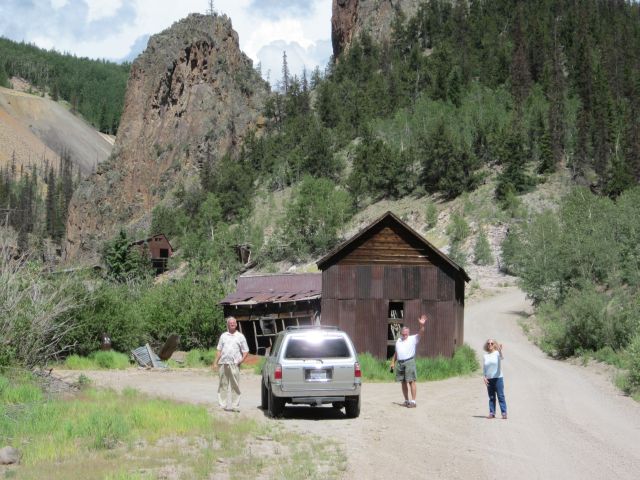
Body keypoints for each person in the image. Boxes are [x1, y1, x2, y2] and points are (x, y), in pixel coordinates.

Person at [390, 314, 427, 408]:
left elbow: (421, 333)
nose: (404, 335)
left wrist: (422, 325)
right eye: (403, 334)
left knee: (411, 381)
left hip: (409, 362)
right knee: (403, 382)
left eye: (406, 334)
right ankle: (406, 400)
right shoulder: (399, 340)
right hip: (400, 363)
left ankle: (413, 402)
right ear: (401, 333)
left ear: (408, 333)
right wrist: (392, 362)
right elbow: (396, 353)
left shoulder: (413, 338)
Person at [213, 316, 249, 412]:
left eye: (234, 323)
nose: (232, 324)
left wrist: (240, 361)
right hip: (223, 363)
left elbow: (246, 351)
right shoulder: (223, 336)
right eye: (230, 323)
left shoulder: (240, 336)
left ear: (236, 324)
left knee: (235, 385)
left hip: (234, 364)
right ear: (228, 325)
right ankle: (222, 405)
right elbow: (219, 350)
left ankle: (235, 406)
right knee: (222, 385)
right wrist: (215, 362)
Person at [482, 338, 507, 419]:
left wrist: (499, 350)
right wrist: (484, 377)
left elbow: (502, 357)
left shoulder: (497, 353)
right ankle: (492, 413)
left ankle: (504, 413)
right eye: (488, 343)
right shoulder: (485, 356)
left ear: (494, 345)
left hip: (498, 378)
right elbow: (484, 367)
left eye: (492, 343)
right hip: (489, 379)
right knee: (491, 397)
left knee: (500, 396)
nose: (490, 345)